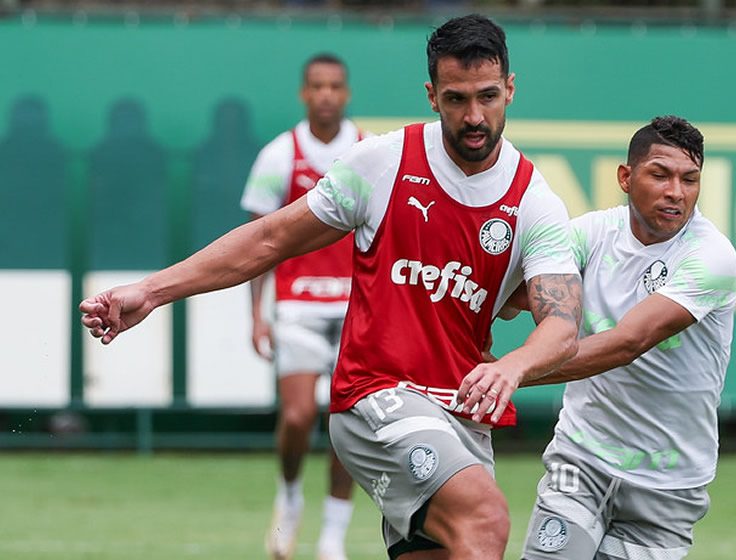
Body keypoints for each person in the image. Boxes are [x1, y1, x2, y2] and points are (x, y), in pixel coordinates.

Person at [80, 14, 583, 560]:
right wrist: (151, 292)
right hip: (377, 395)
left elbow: (561, 324)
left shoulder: (535, 201)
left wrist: (512, 367)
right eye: (456, 98)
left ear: (510, 88)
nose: (474, 116)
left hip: (460, 416)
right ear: (431, 96)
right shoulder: (381, 163)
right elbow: (269, 239)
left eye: (488, 96)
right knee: (485, 519)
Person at [502, 116, 736, 560]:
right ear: (626, 178)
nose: (676, 192)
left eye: (690, 179)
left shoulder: (712, 257)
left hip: (668, 484)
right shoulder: (590, 234)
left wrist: (508, 371)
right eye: (660, 175)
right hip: (582, 458)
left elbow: (628, 342)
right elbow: (507, 293)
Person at [240, 53, 366, 560]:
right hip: (296, 307)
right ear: (303, 93)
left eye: (335, 85)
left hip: (359, 310)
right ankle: (289, 497)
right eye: (317, 86)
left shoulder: (368, 152)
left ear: (346, 92)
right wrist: (255, 314)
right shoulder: (279, 154)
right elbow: (255, 241)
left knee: (348, 422)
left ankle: (332, 535)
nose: (326, 95)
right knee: (296, 416)